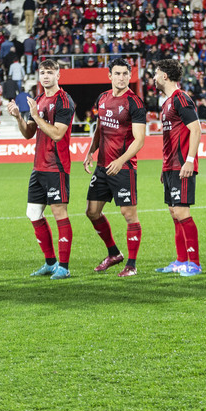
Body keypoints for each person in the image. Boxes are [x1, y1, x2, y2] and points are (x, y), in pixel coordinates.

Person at [6, 59, 76, 279]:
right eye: (43, 72)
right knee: (33, 213)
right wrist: (19, 116)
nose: (46, 76)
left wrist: (35, 115)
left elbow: (57, 134)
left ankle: (63, 266)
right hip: (39, 167)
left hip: (56, 166)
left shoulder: (64, 100)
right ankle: (50, 262)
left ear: (58, 75)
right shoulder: (39, 99)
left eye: (50, 72)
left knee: (59, 213)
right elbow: (29, 133)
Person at [82, 58, 146, 277]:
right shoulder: (102, 98)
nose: (121, 77)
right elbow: (100, 128)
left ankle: (132, 264)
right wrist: (91, 150)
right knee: (92, 212)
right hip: (102, 167)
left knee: (128, 214)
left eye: (125, 74)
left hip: (124, 167)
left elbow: (139, 140)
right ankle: (114, 253)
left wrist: (120, 161)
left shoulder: (134, 102)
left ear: (130, 76)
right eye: (117, 73)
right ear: (110, 76)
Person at [153, 59, 202, 277]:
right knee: (174, 212)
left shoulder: (181, 98)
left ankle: (195, 264)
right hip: (170, 166)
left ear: (164, 75)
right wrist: (165, 166)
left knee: (182, 212)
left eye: (156, 73)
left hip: (182, 164)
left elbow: (196, 129)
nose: (153, 77)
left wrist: (189, 160)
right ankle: (181, 260)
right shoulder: (166, 103)